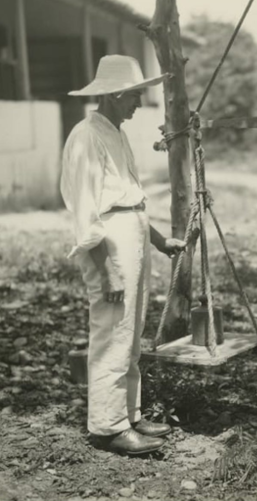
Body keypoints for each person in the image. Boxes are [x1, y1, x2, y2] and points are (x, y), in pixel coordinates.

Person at [61, 55, 186, 455]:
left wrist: (159, 241)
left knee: (130, 333)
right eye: (134, 96)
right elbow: (87, 211)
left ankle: (128, 415)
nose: (137, 103)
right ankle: (107, 427)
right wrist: (107, 269)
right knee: (112, 332)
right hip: (108, 246)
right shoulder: (86, 136)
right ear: (115, 95)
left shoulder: (115, 132)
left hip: (131, 235)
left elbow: (129, 203)